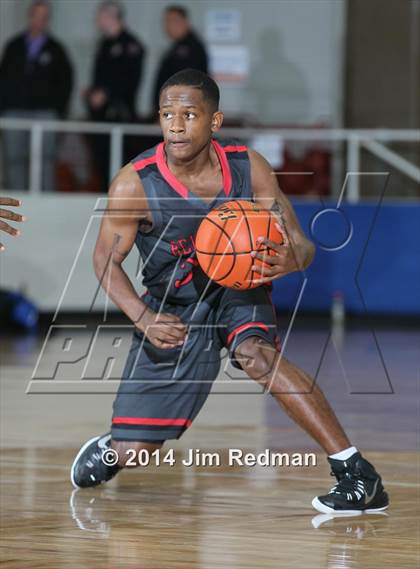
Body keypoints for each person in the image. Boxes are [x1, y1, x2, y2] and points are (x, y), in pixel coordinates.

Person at [71, 69, 389, 515]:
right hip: (173, 308)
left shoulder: (248, 167)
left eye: (189, 115)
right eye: (167, 115)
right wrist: (143, 318)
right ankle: (113, 449)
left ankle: (357, 474)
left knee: (256, 356)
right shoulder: (135, 184)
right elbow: (105, 260)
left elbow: (301, 244)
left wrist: (291, 258)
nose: (176, 125)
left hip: (238, 291)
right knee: (137, 448)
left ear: (214, 122)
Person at [0, 0, 73, 191]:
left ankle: (45, 202)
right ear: (29, 16)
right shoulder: (14, 46)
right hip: (14, 112)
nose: (39, 21)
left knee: (45, 161)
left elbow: (65, 83)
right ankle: (17, 204)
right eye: (36, 16)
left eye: (44, 17)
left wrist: (58, 112)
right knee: (14, 159)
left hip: (44, 114)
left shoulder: (57, 50)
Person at [86, 0, 145, 192]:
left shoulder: (131, 45)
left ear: (111, 17)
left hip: (120, 116)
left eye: (100, 16)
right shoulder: (104, 44)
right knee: (102, 167)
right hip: (101, 117)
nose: (97, 20)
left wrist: (107, 94)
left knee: (121, 167)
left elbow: (130, 82)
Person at [152, 5, 208, 115]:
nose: (167, 26)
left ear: (185, 22)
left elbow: (186, 86)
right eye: (166, 21)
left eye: (172, 21)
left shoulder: (190, 48)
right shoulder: (177, 48)